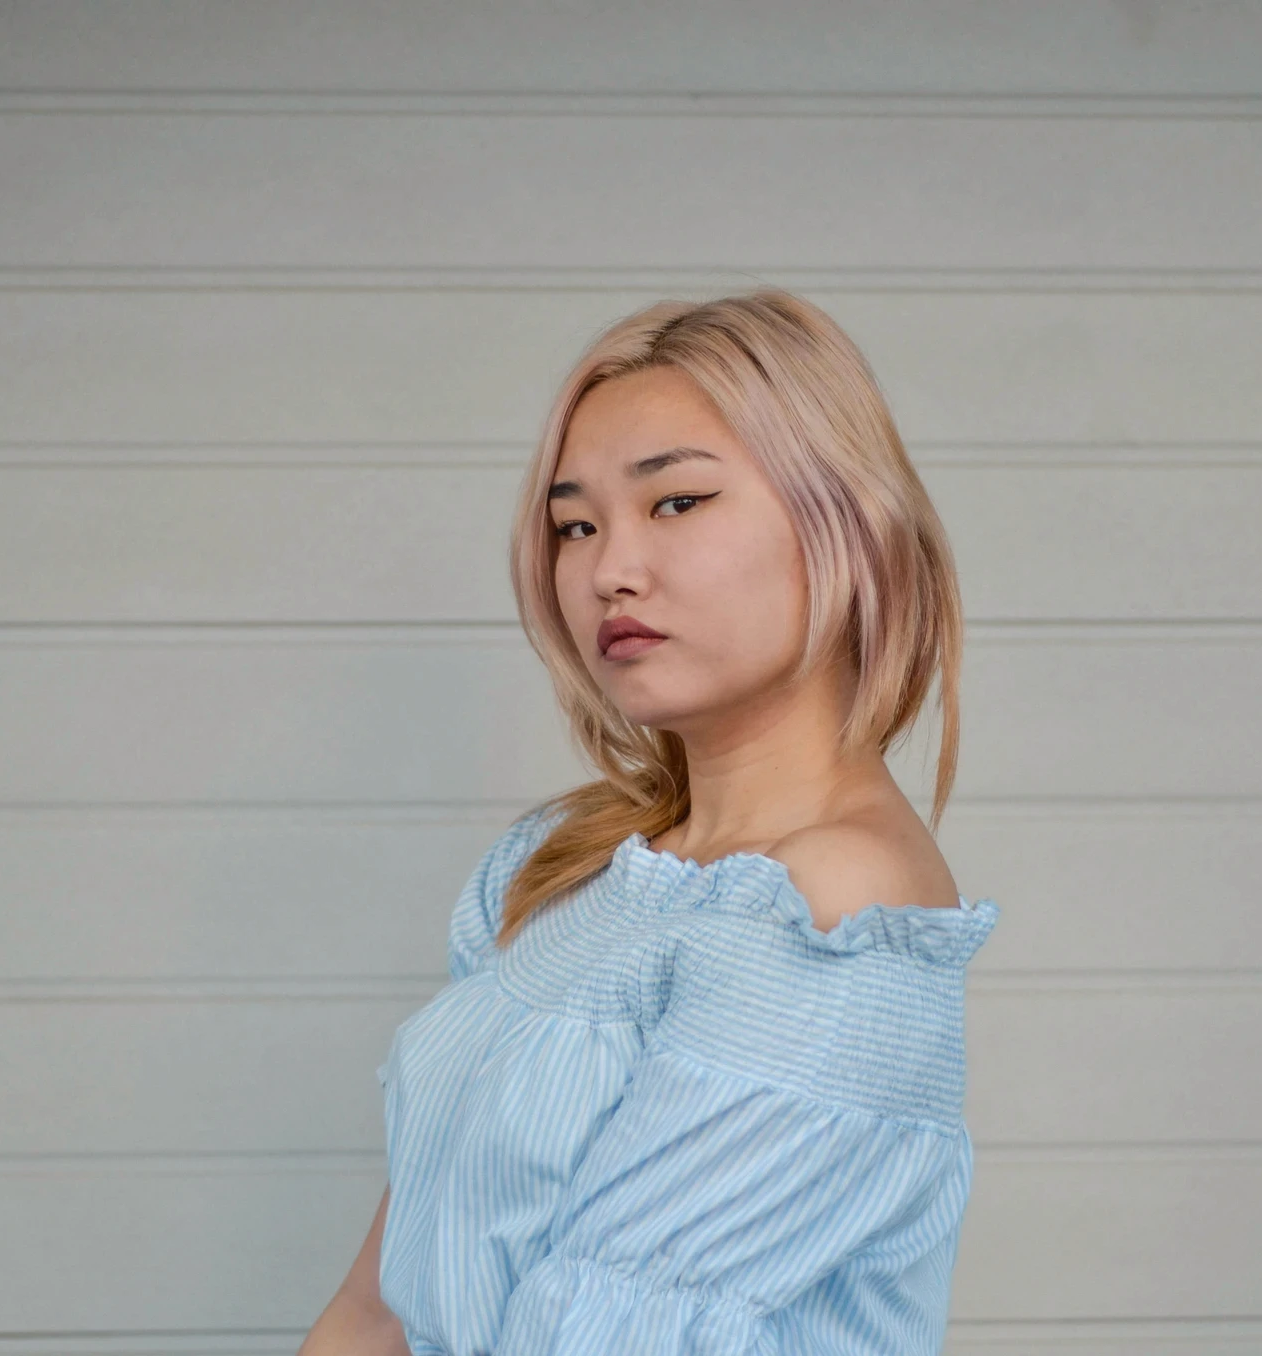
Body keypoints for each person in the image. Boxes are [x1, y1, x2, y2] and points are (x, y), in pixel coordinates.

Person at [299, 289, 1000, 1355]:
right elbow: (377, 1308)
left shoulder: (835, 904)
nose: (606, 571)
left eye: (675, 502)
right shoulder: (556, 867)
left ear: (845, 521)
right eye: (574, 525)